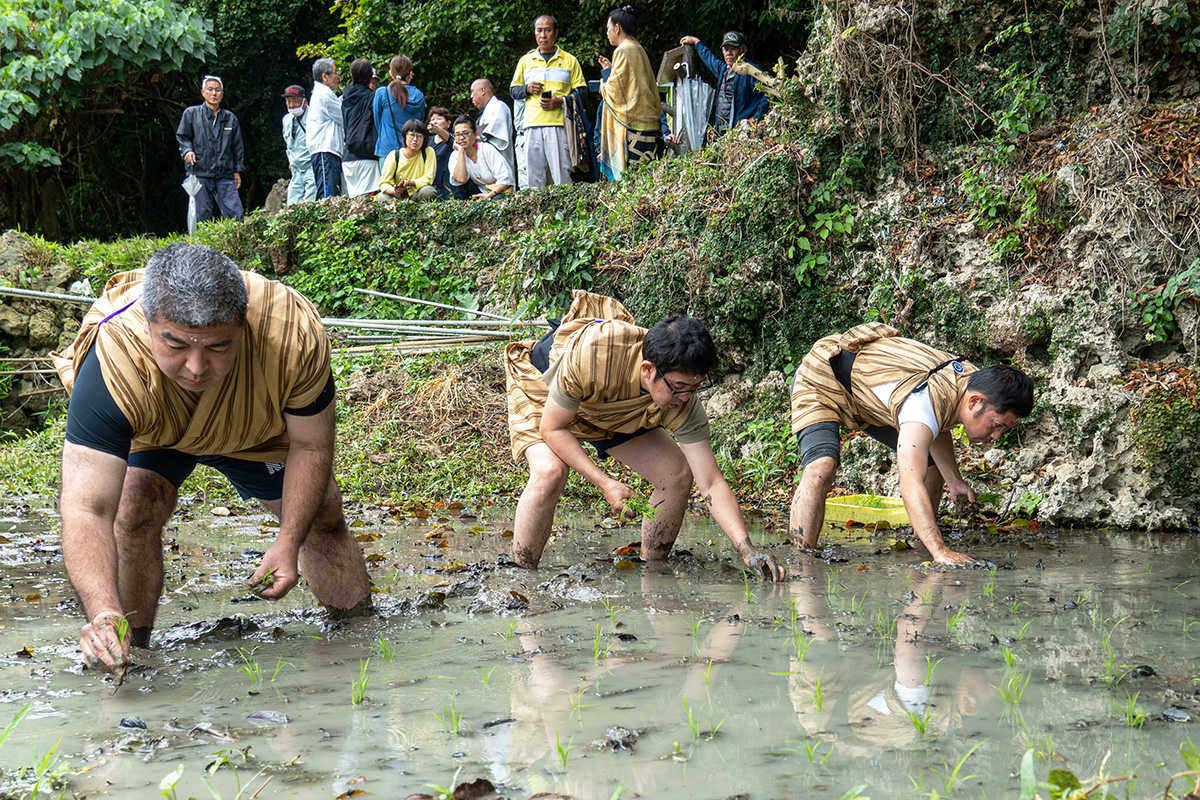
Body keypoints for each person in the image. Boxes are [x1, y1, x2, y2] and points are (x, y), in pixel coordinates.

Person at [51, 244, 373, 675]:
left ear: (244, 325)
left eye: (218, 346)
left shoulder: (290, 332)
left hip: (254, 420)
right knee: (132, 507)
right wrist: (103, 610)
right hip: (155, 423)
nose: (197, 367)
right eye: (175, 344)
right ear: (147, 323)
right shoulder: (113, 361)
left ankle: (359, 642)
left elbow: (311, 446)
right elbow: (86, 507)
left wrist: (288, 542)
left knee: (323, 513)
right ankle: (127, 655)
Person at [504, 290, 786, 580]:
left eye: (695, 388)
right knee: (550, 471)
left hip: (610, 410)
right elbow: (553, 428)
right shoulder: (595, 354)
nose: (686, 397)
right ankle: (523, 579)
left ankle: (653, 574)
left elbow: (711, 482)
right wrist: (605, 483)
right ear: (648, 370)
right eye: (678, 387)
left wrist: (746, 548)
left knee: (675, 474)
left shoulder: (683, 400)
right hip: (543, 386)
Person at [787, 322, 1034, 565]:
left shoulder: (973, 381)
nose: (996, 437)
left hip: (866, 392)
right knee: (822, 466)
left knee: (932, 466)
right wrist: (941, 550)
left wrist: (954, 480)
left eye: (1004, 428)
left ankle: (920, 553)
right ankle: (800, 565)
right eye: (996, 425)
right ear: (974, 402)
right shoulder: (922, 403)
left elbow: (938, 422)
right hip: (822, 376)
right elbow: (909, 484)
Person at [509, 14, 587, 188]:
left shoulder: (570, 60)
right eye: (539, 31)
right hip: (531, 125)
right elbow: (513, 91)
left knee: (562, 179)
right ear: (535, 33)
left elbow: (582, 92)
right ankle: (535, 207)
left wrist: (561, 101)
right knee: (533, 182)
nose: (543, 35)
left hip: (559, 125)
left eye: (547, 30)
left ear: (556, 33)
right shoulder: (525, 61)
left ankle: (565, 207)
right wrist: (527, 89)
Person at [597, 6, 663, 180]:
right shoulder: (638, 48)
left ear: (617, 28)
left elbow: (615, 91)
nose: (607, 33)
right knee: (647, 181)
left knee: (633, 183)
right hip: (649, 124)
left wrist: (603, 86)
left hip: (633, 127)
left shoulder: (623, 50)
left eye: (608, 28)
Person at [176, 75, 245, 223]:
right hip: (199, 171)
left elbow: (237, 146)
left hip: (225, 173)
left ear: (222, 94)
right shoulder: (191, 114)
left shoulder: (230, 118)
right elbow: (182, 136)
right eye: (210, 89)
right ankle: (199, 239)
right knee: (201, 216)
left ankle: (237, 237)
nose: (214, 93)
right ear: (203, 92)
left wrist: (237, 170)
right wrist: (187, 151)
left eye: (217, 90)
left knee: (236, 214)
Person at [678, 31, 771, 136]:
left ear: (743, 50)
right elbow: (710, 59)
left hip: (742, 133)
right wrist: (696, 42)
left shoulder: (750, 71)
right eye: (726, 49)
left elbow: (770, 92)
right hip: (723, 133)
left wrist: (756, 118)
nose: (729, 53)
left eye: (733, 49)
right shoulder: (724, 70)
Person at [373, 55, 426, 170]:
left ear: (391, 74)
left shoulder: (383, 93)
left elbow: (377, 122)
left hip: (387, 151)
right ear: (410, 74)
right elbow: (419, 122)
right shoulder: (419, 96)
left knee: (388, 182)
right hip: (412, 152)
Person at [448, 115, 513, 200]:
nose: (461, 138)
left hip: (496, 191)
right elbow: (460, 179)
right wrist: (460, 151)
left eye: (466, 133)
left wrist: (488, 196)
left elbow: (506, 179)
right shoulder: (455, 155)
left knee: (497, 199)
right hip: (477, 192)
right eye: (457, 134)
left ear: (475, 134)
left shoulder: (487, 149)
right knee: (458, 184)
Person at [341, 58, 380, 197]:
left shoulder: (344, 99)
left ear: (351, 76)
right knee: (369, 204)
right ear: (370, 77)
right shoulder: (373, 98)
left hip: (348, 158)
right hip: (368, 157)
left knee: (354, 204)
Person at [307, 58, 344, 198]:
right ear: (324, 76)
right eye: (335, 72)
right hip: (325, 152)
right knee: (327, 197)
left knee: (332, 195)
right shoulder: (324, 94)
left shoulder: (322, 93)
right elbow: (344, 116)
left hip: (328, 152)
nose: (338, 77)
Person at [376, 119, 437, 202]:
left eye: (419, 136)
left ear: (424, 139)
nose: (415, 139)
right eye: (412, 135)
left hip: (417, 193)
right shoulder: (394, 155)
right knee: (381, 197)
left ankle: (422, 210)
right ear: (405, 136)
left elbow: (428, 178)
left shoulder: (428, 152)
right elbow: (384, 183)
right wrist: (395, 190)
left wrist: (410, 182)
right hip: (398, 196)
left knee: (428, 191)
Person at [471, 79, 517, 187]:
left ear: (482, 91)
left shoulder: (498, 106)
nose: (471, 96)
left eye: (473, 92)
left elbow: (491, 134)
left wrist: (474, 139)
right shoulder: (484, 112)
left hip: (500, 162)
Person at [281, 85, 316, 204]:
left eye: (295, 100)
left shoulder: (314, 117)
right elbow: (288, 145)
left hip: (311, 167)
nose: (291, 105)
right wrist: (290, 160)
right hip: (296, 169)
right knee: (292, 204)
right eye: (288, 101)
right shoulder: (286, 120)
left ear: (304, 101)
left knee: (310, 203)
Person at [426, 106, 454, 199]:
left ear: (448, 123)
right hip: (430, 183)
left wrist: (438, 130)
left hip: (447, 183)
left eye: (439, 119)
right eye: (432, 119)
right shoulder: (427, 141)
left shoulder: (453, 139)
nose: (435, 122)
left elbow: (453, 143)